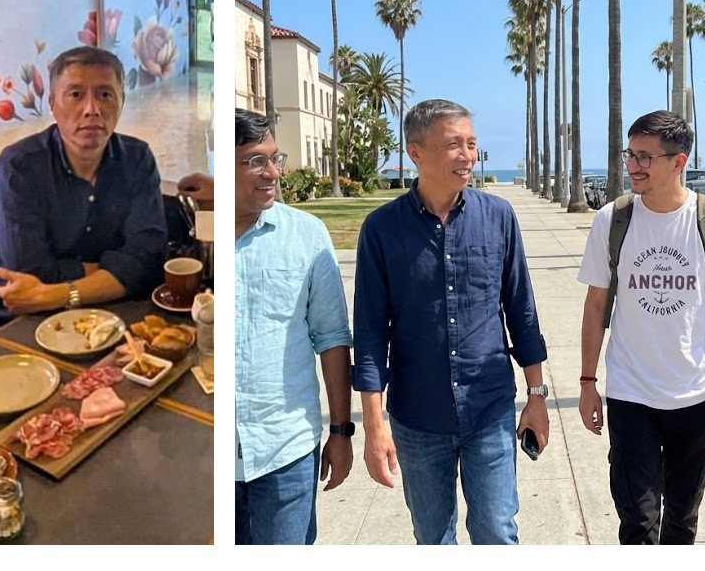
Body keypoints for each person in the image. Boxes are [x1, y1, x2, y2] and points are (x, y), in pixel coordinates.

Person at [354, 99, 548, 544]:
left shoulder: (498, 217)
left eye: (472, 144)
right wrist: (374, 426)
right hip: (418, 418)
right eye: (453, 145)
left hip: (491, 409)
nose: (468, 155)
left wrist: (536, 398)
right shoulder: (381, 229)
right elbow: (369, 335)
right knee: (434, 540)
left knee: (497, 533)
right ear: (416, 152)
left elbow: (522, 313)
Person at [576, 111, 705, 544]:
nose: (633, 165)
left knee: (682, 518)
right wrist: (586, 381)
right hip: (630, 393)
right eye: (630, 154)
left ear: (678, 162)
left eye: (645, 157)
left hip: (695, 394)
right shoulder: (612, 220)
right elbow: (596, 305)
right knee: (636, 521)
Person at [0, 47, 167, 334]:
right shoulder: (20, 167)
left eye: (105, 94)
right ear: (52, 104)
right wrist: (114, 269)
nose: (92, 109)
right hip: (8, 318)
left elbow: (147, 260)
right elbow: (31, 273)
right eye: (75, 95)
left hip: (99, 315)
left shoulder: (137, 159)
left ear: (122, 102)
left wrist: (60, 292)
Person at [235, 109, 352, 544]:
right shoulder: (195, 240)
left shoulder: (307, 235)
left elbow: (333, 337)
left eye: (274, 158)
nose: (272, 173)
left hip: (285, 449)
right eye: (254, 161)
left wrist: (341, 431)